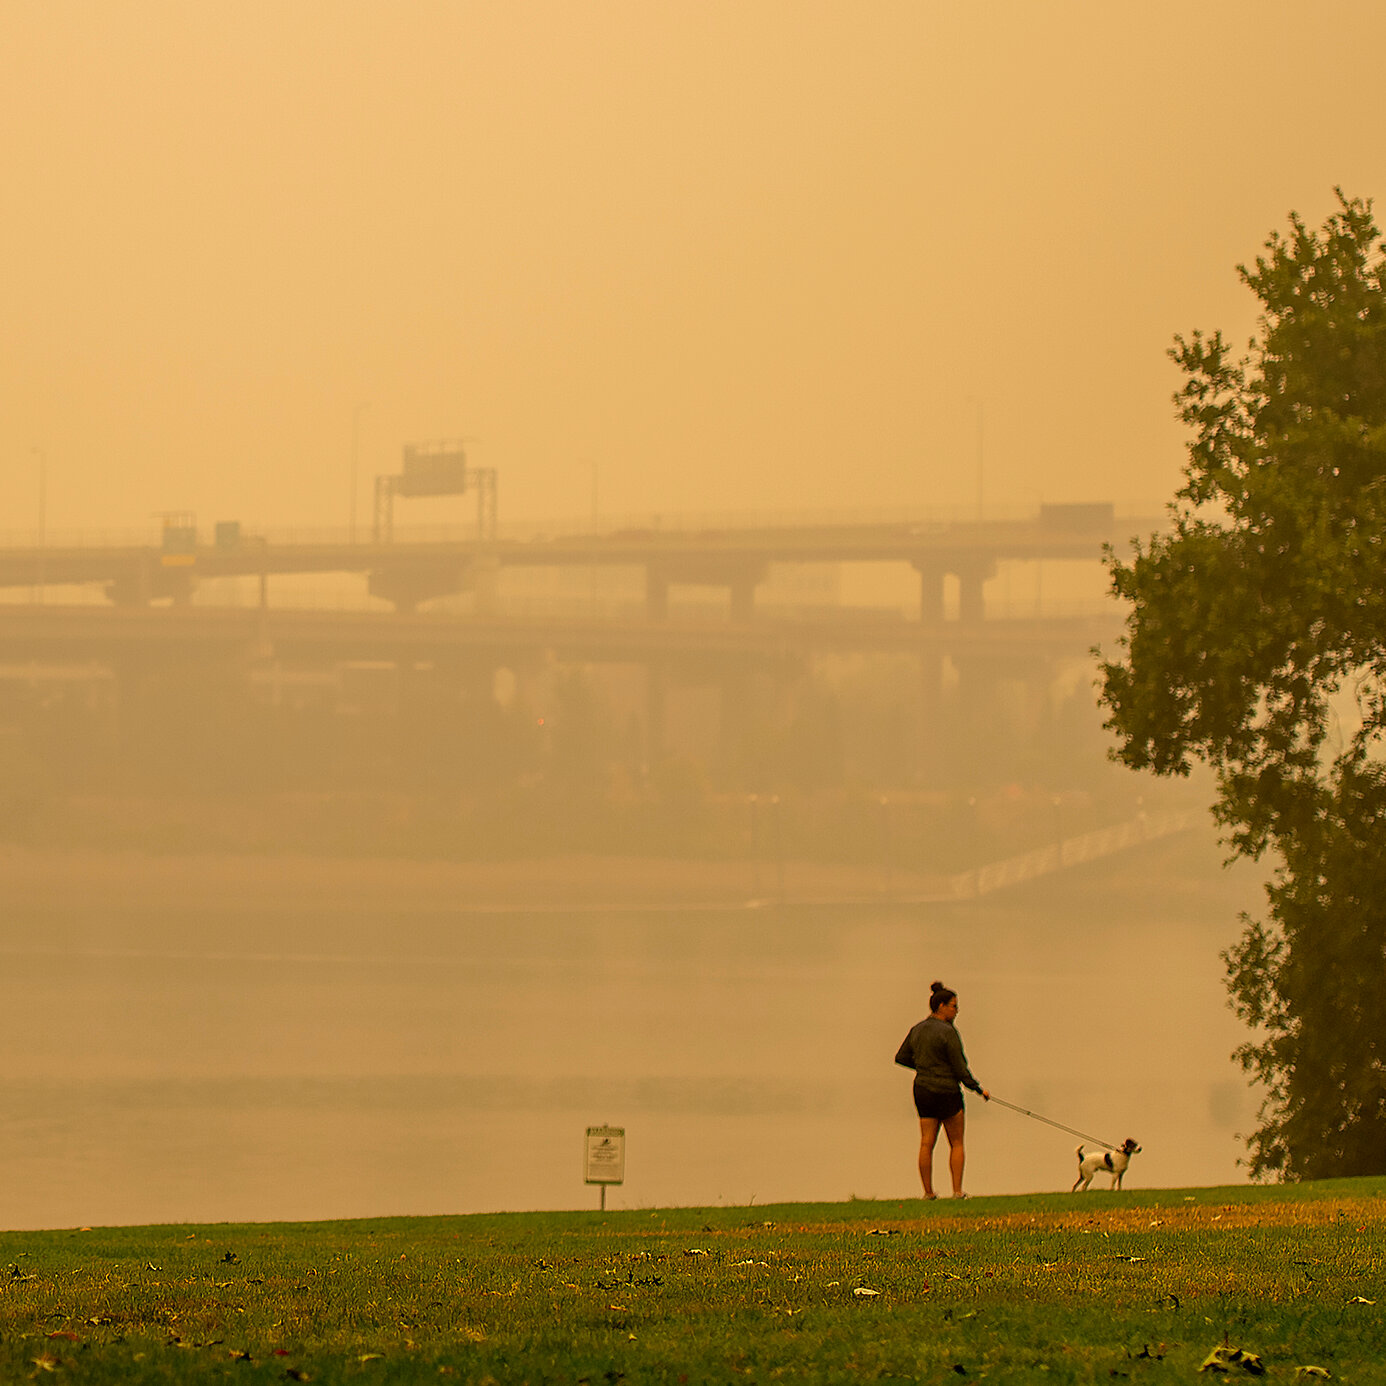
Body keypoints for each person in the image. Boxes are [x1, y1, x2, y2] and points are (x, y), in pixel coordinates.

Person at [894, 981, 989, 1199]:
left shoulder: (917, 1029)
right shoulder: (948, 1032)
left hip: (923, 1090)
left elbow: (901, 1057)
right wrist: (978, 1089)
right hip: (947, 1092)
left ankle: (928, 1193)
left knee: (926, 1142)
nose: (956, 1011)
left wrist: (924, 1067)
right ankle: (957, 1191)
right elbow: (959, 1068)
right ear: (941, 1006)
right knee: (956, 1143)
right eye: (954, 1006)